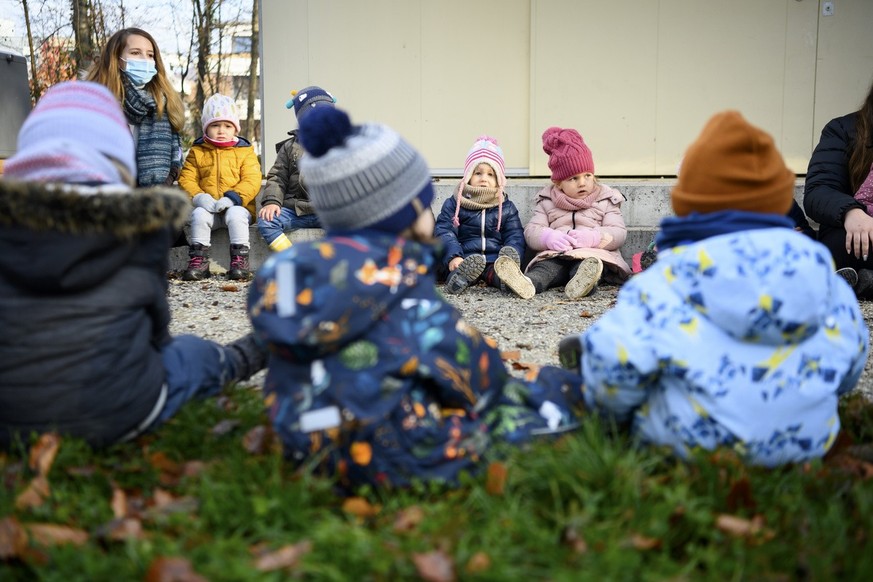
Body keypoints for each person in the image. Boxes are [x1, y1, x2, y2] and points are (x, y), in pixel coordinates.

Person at [247, 106, 586, 490]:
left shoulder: (289, 273)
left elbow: (272, 338)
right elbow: (480, 375)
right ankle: (568, 391)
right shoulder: (400, 291)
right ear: (405, 214)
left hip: (303, 439)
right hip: (382, 452)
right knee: (504, 410)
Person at [559, 110, 869, 466]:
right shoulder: (823, 278)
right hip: (803, 443)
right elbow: (849, 365)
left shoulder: (669, 280)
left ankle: (582, 363)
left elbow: (617, 370)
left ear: (690, 207)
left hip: (692, 446)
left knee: (607, 369)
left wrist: (607, 410)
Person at [0, 81, 267, 449]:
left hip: (9, 421)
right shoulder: (138, 233)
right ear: (117, 159)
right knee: (186, 354)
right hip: (120, 412)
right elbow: (156, 333)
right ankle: (241, 357)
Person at [507, 127, 630, 299]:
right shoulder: (546, 200)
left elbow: (618, 232)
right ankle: (527, 283)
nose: (582, 183)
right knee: (545, 269)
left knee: (587, 267)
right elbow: (532, 230)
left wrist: (594, 237)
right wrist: (547, 238)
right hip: (556, 254)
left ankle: (583, 284)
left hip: (592, 253)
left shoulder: (606, 199)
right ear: (558, 183)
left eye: (587, 175)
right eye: (573, 178)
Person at [86, 27, 184, 189]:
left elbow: (175, 157)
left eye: (150, 55)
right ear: (117, 59)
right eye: (135, 53)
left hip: (152, 200)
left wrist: (161, 188)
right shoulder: (93, 103)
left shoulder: (164, 103)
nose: (145, 60)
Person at [178, 94, 261, 281]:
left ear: (235, 128)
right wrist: (199, 197)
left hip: (238, 208)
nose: (221, 130)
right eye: (215, 125)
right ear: (206, 127)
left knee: (236, 214)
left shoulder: (245, 152)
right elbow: (187, 178)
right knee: (199, 214)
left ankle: (240, 261)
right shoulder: (198, 151)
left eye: (227, 125)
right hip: (211, 210)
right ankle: (200, 260)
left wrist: (233, 198)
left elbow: (252, 179)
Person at [433, 135, 529, 297]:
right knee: (459, 272)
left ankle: (508, 280)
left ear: (499, 179)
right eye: (478, 173)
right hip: (466, 259)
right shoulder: (455, 203)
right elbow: (445, 232)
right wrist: (454, 257)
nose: (484, 178)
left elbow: (515, 235)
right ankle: (456, 280)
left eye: (491, 174)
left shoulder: (506, 207)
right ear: (468, 176)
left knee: (499, 274)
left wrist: (511, 254)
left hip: (495, 260)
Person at [804, 79, 873, 296]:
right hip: (856, 230)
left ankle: (863, 282)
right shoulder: (843, 129)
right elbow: (818, 190)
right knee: (843, 244)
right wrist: (852, 213)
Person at [257, 85, 336, 252]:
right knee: (266, 221)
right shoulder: (290, 147)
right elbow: (277, 177)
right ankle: (292, 258)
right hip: (295, 209)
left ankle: (330, 260)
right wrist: (272, 201)